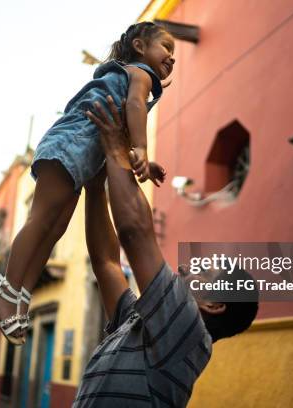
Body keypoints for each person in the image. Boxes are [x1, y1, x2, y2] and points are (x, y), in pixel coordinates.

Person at [0, 21, 175, 345]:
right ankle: (7, 287)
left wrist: (136, 156)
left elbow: (116, 129)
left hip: (80, 154)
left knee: (54, 227)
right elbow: (134, 107)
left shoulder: (127, 78)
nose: (172, 57)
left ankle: (21, 296)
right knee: (42, 220)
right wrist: (142, 148)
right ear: (141, 47)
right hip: (71, 144)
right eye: (167, 48)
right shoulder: (140, 74)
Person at [73, 97, 259, 406]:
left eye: (204, 271)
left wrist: (115, 147)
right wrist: (95, 189)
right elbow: (107, 264)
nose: (186, 268)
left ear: (213, 305)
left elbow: (136, 234)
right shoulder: (144, 324)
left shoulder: (188, 330)